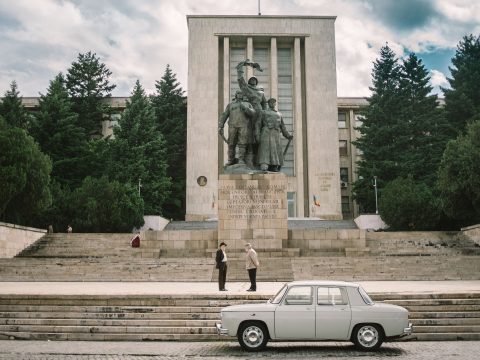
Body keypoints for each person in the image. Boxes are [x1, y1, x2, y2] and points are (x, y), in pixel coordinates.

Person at [218, 90, 255, 166]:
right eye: (238, 93)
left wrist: (245, 108)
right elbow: (224, 115)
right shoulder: (231, 105)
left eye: (241, 93)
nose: (240, 95)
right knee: (231, 143)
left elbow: (253, 113)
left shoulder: (247, 104)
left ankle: (241, 159)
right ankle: (231, 160)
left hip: (243, 126)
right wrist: (221, 125)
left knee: (242, 143)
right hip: (232, 126)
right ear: (236, 94)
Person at [256, 98, 293, 171]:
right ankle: (264, 164)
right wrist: (257, 135)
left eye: (274, 102)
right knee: (265, 149)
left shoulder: (279, 114)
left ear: (275, 104)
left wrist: (288, 135)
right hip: (266, 132)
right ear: (268, 104)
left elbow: (283, 126)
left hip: (276, 134)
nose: (272, 103)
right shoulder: (263, 112)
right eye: (271, 102)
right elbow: (258, 124)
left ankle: (274, 165)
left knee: (275, 150)